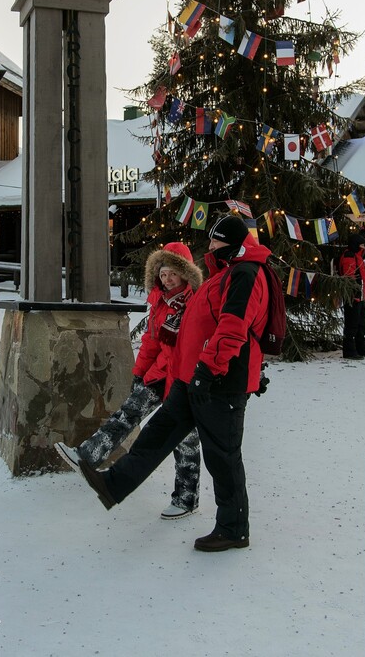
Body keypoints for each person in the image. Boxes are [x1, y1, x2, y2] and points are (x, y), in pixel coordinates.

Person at [76, 214, 271, 552]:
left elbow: (233, 328)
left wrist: (208, 371)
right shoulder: (223, 274)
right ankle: (114, 484)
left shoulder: (246, 273)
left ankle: (234, 528)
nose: (209, 246)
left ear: (232, 242)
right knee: (158, 432)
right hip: (190, 377)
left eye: (215, 241)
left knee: (222, 456)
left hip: (218, 382)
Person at [55, 242, 203, 519]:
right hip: (159, 374)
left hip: (185, 380)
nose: (167, 279)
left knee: (186, 442)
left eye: (172, 273)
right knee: (127, 413)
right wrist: (139, 373)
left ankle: (186, 497)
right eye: (162, 275)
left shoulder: (197, 301)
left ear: (185, 273)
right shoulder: (160, 303)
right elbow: (151, 341)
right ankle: (88, 455)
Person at [339, 231, 365, 359]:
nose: (364, 247)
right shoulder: (349, 256)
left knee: (361, 324)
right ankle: (349, 351)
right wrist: (354, 293)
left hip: (360, 295)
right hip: (353, 296)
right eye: (361, 245)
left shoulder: (357, 256)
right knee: (352, 325)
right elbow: (349, 276)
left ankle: (361, 348)